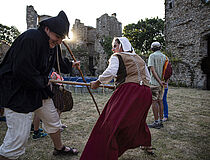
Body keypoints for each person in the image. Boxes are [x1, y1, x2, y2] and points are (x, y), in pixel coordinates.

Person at [0, 11, 80, 160]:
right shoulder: (31, 38)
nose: (59, 42)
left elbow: (58, 62)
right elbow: (21, 70)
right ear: (47, 29)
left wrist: (71, 65)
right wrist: (45, 81)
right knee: (17, 140)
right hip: (19, 92)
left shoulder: (53, 44)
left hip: (38, 90)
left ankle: (59, 148)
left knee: (53, 121)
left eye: (62, 39)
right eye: (58, 37)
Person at [80, 37, 153, 160]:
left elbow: (111, 72)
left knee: (109, 124)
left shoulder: (117, 57)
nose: (113, 49)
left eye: (115, 46)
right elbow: (147, 77)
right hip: (145, 93)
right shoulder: (139, 58)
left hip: (129, 93)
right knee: (134, 122)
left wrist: (98, 82)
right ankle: (145, 143)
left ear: (121, 46)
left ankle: (103, 155)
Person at [147, 42, 166, 129]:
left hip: (154, 83)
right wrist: (163, 81)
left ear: (152, 48)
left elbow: (153, 71)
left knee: (154, 102)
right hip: (162, 83)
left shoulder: (152, 56)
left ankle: (156, 122)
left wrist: (158, 81)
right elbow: (168, 71)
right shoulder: (165, 57)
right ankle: (161, 121)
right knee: (160, 101)